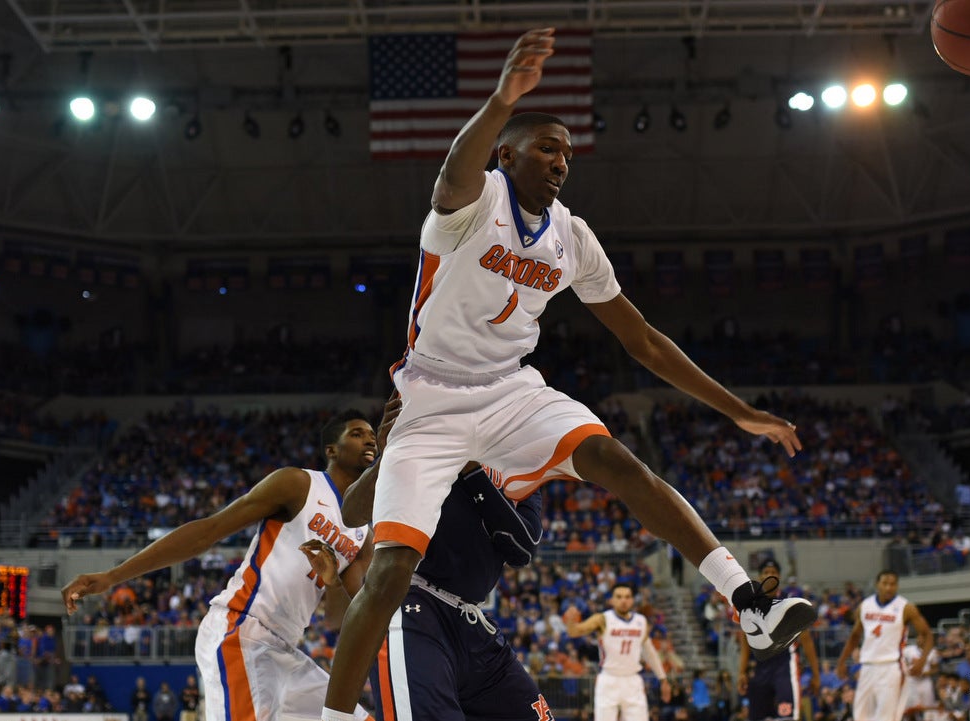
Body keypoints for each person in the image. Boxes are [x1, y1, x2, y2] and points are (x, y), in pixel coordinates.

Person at [321, 27, 815, 721]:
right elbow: (451, 173)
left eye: (568, 152)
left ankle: (748, 601)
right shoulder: (470, 207)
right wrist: (501, 97)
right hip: (430, 397)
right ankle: (332, 716)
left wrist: (736, 410)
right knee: (393, 569)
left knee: (617, 459)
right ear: (506, 155)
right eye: (547, 147)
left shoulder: (572, 237)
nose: (561, 161)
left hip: (509, 388)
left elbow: (642, 338)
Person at [62, 410, 384, 721]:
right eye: (357, 434)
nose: (369, 441)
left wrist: (332, 581)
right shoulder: (298, 484)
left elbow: (338, 619)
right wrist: (113, 575)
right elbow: (208, 531)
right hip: (241, 630)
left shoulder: (363, 534)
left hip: (284, 651)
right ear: (332, 450)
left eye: (372, 435)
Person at [342, 458, 551, 721]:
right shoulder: (438, 432)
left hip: (471, 617)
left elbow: (522, 549)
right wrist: (387, 452)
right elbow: (350, 514)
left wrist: (473, 473)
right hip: (415, 600)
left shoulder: (523, 464)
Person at [563, 582, 672, 721]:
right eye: (619, 597)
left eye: (627, 597)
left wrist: (663, 679)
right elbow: (574, 632)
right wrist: (571, 621)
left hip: (633, 679)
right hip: (609, 679)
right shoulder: (602, 619)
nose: (623, 600)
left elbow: (650, 652)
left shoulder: (641, 621)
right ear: (612, 600)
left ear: (632, 600)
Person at [835, 570, 933, 721]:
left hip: (891, 667)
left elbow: (927, 635)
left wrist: (923, 660)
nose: (888, 588)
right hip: (867, 666)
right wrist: (841, 661)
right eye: (885, 583)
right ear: (877, 584)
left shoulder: (905, 607)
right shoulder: (865, 606)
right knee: (860, 716)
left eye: (892, 584)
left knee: (886, 718)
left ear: (897, 586)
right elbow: (855, 636)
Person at [736, 560, 821, 721]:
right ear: (760, 577)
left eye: (773, 572)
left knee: (787, 717)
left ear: (779, 576)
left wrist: (816, 675)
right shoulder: (750, 604)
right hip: (760, 669)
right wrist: (742, 671)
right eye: (766, 572)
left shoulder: (789, 602)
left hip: (785, 667)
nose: (770, 575)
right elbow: (745, 638)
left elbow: (806, 640)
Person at [899, 637, 938, 720]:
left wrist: (924, 673)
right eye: (918, 638)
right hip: (911, 681)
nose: (919, 640)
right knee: (910, 707)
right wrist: (908, 670)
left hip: (925, 681)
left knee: (928, 706)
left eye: (922, 638)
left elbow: (935, 669)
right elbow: (901, 661)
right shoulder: (909, 650)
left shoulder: (932, 652)